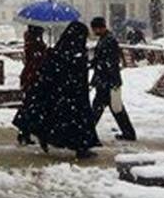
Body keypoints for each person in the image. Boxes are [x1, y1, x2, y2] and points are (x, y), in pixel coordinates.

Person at [13, 21, 100, 160]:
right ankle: (81, 148)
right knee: (78, 122)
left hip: (64, 94)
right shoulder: (74, 53)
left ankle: (75, 145)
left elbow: (49, 71)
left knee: (58, 119)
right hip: (74, 95)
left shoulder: (60, 51)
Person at [89, 16, 136, 142]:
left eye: (94, 29)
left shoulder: (108, 41)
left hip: (107, 81)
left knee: (98, 108)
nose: (93, 32)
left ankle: (88, 133)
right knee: (116, 108)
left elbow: (109, 63)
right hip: (108, 81)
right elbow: (102, 60)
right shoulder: (105, 39)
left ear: (99, 28)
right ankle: (128, 132)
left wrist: (105, 76)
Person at [17, 25, 48, 145]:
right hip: (33, 78)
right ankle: (28, 133)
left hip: (29, 77)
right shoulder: (35, 44)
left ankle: (24, 133)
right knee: (32, 107)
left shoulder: (31, 42)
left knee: (29, 106)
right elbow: (37, 60)